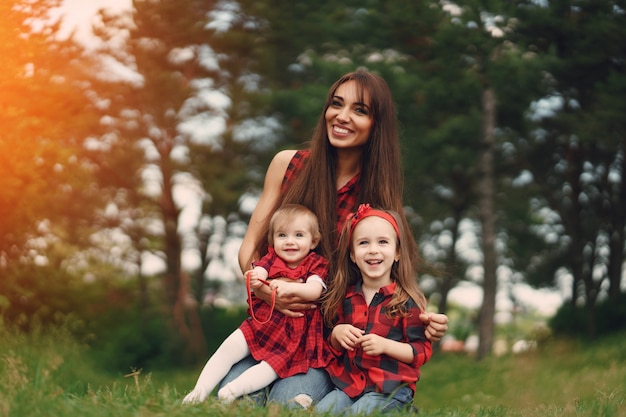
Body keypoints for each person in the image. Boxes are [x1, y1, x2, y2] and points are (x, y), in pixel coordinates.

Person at [219, 69, 449, 408]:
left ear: (376, 125)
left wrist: (425, 318)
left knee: (282, 408)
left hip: (324, 340)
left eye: (360, 110)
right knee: (230, 401)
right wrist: (268, 292)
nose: (342, 116)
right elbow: (250, 247)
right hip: (271, 326)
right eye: (336, 104)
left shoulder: (377, 197)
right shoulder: (286, 165)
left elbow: (391, 271)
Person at [182, 204, 332, 404]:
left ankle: (232, 391)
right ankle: (198, 392)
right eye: (282, 235)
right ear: (273, 240)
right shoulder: (271, 259)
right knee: (228, 348)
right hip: (262, 322)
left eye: (298, 235)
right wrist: (254, 277)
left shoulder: (316, 263)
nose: (290, 242)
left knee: (270, 368)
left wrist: (291, 288)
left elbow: (314, 290)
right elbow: (259, 271)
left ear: (313, 241)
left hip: (293, 334)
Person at [316, 204, 432, 415]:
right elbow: (331, 347)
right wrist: (336, 334)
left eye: (383, 242)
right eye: (363, 243)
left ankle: (402, 409)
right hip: (349, 386)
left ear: (397, 252)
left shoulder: (406, 301)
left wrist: (385, 345)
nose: (373, 250)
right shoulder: (346, 298)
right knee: (320, 413)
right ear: (352, 254)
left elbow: (421, 351)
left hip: (389, 389)